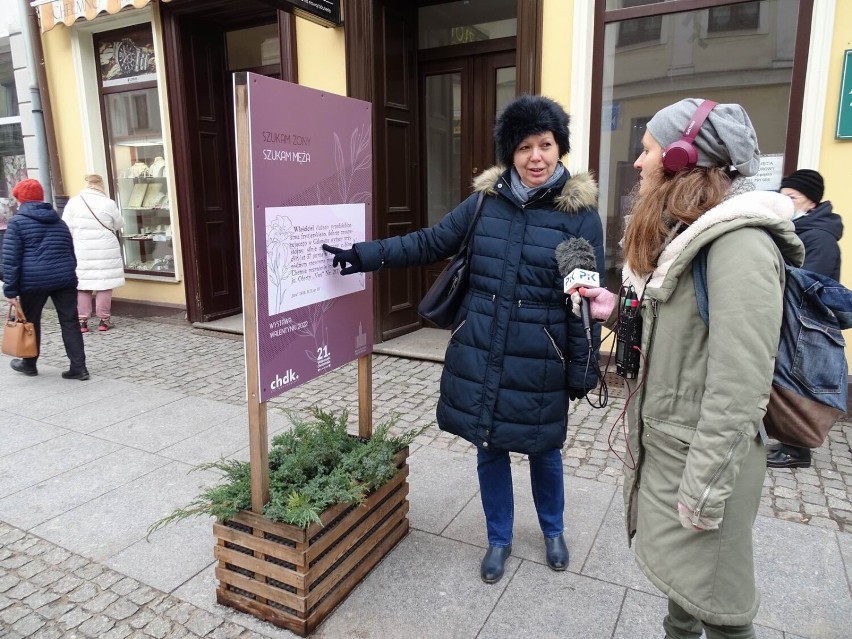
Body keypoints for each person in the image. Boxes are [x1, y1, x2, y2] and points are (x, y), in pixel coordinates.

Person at [323, 95, 603, 584]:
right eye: (524, 147)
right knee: (489, 445)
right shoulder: (483, 203)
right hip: (482, 345)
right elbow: (429, 241)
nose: (535, 156)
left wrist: (585, 365)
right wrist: (364, 255)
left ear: (560, 147)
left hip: (541, 353)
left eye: (545, 144)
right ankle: (499, 538)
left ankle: (553, 530)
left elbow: (587, 299)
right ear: (509, 152)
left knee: (544, 447)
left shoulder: (579, 216)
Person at [574, 98, 803, 639]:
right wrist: (617, 311)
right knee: (683, 591)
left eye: (648, 149)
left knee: (722, 610)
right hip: (673, 450)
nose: (639, 161)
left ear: (682, 157)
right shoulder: (692, 233)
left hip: (701, 464)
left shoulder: (740, 244)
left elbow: (740, 386)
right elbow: (683, 338)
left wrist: (703, 488)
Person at [765, 168, 843, 469]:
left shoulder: (819, 237)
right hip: (795, 317)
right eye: (782, 196)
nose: (786, 203)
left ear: (810, 202)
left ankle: (797, 450)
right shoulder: (799, 230)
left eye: (792, 197)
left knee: (798, 381)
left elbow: (809, 281)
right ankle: (788, 443)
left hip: (806, 321)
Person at [2, 178, 90, 380]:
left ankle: (29, 364)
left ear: (20, 199)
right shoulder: (59, 221)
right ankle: (79, 368)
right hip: (64, 279)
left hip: (33, 282)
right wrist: (69, 273)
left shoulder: (17, 222)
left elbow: (11, 260)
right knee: (70, 322)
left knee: (30, 322)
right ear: (41, 197)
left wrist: (11, 291)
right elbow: (70, 251)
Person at [62, 174, 125, 332]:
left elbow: (65, 227)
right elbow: (119, 224)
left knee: (83, 285)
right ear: (101, 185)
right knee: (104, 284)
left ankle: (82, 321)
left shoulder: (74, 203)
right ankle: (104, 320)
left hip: (81, 248)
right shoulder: (108, 203)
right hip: (106, 249)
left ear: (87, 184)